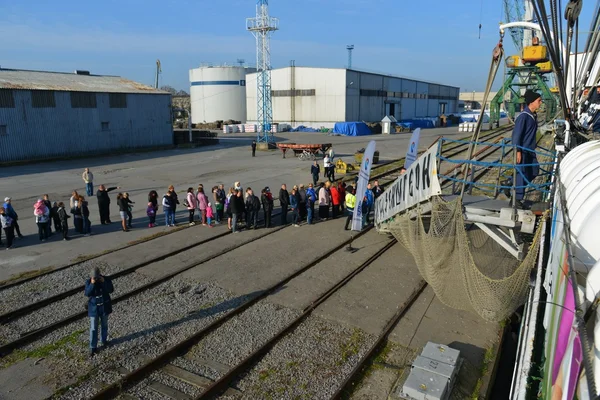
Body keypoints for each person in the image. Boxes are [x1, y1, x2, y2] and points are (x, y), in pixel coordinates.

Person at [512, 90, 542, 206]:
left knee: (534, 170)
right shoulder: (524, 117)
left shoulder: (532, 116)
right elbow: (516, 135)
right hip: (523, 150)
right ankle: (517, 199)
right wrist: (518, 151)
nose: (540, 103)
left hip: (530, 150)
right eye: (539, 101)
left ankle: (510, 182)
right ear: (531, 102)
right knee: (521, 173)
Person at [85, 267, 114, 357]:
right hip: (94, 309)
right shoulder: (88, 282)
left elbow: (111, 290)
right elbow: (87, 293)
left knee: (104, 325)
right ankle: (92, 346)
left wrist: (103, 281)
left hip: (104, 307)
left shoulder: (106, 279)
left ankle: (103, 340)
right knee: (93, 328)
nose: (96, 279)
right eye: (94, 277)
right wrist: (92, 284)